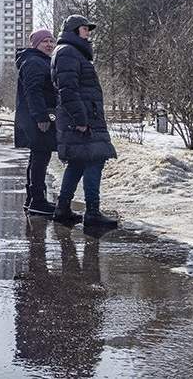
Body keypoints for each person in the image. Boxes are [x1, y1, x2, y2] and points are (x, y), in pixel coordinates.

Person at [50, 15, 118, 227]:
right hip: (83, 120)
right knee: (95, 160)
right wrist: (81, 119)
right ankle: (92, 212)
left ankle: (62, 208)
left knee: (78, 162)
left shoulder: (72, 53)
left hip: (86, 118)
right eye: (85, 29)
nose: (88, 33)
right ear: (74, 30)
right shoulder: (68, 52)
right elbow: (67, 90)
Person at [14, 29, 58, 215]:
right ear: (35, 44)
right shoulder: (33, 62)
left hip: (35, 117)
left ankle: (33, 199)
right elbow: (34, 91)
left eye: (51, 41)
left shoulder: (40, 60)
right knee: (41, 157)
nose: (49, 44)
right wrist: (41, 117)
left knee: (38, 156)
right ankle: (38, 201)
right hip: (37, 118)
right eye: (44, 41)